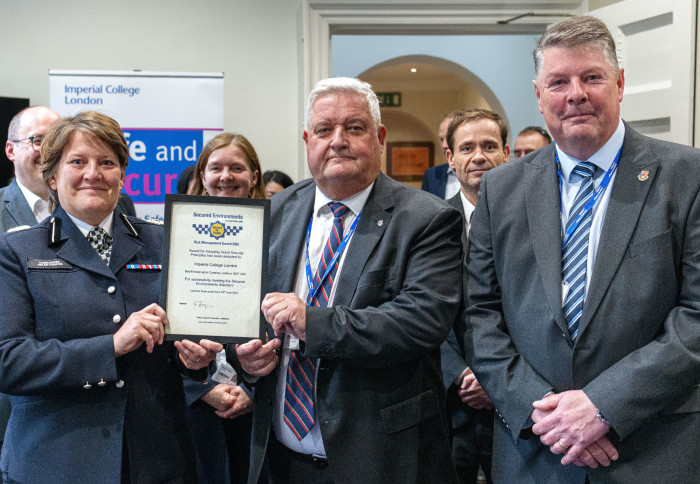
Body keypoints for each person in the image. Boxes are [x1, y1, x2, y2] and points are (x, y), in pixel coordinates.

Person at [462, 15, 700, 483]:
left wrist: (604, 406)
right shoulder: (501, 189)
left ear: (620, 83)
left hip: (651, 450)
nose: (576, 94)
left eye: (591, 77)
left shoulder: (687, 177)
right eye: (559, 81)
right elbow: (479, 315)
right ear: (538, 94)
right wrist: (546, 418)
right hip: (534, 452)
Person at [230, 77, 462, 483]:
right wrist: (246, 359)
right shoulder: (275, 211)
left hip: (381, 460)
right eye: (324, 130)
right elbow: (249, 311)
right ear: (308, 141)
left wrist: (313, 322)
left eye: (354, 128)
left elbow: (421, 321)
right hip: (280, 460)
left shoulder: (426, 219)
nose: (337, 141)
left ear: (379, 137)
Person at [0, 110, 222, 483]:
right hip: (56, 462)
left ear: (122, 174)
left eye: (107, 162)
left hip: (156, 460)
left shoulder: (166, 242)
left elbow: (184, 348)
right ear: (52, 176)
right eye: (77, 162)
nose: (93, 173)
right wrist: (111, 346)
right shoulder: (17, 250)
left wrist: (195, 362)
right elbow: (8, 361)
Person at [184, 132, 266, 484]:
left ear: (254, 177)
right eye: (215, 168)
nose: (225, 176)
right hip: (195, 406)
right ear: (202, 176)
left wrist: (252, 390)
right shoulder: (178, 235)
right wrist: (201, 389)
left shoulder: (279, 236)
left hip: (261, 406)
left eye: (237, 167)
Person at [442, 109, 511, 484]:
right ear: (450, 159)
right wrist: (461, 373)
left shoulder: (532, 222)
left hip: (515, 399)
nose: (479, 156)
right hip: (452, 402)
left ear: (507, 152)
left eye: (489, 146)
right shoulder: (431, 222)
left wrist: (495, 378)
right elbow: (422, 308)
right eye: (466, 148)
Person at [421, 111, 462, 199]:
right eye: (441, 139)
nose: (444, 145)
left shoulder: (481, 175)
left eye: (448, 138)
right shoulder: (431, 175)